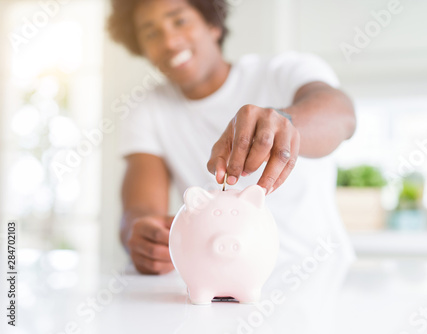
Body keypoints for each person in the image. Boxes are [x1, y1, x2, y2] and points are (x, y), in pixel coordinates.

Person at [108, 0, 357, 276]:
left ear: (212, 25)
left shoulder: (283, 71)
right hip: (219, 283)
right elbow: (141, 210)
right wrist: (141, 236)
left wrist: (285, 123)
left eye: (179, 21)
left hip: (318, 278)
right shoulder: (148, 109)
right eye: (151, 33)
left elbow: (342, 117)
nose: (169, 41)